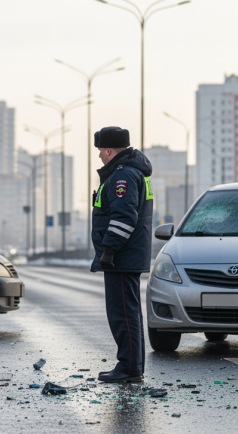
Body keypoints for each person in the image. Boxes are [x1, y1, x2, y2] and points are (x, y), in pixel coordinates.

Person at [91, 126, 153, 383]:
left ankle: (128, 368)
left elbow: (125, 218)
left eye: (100, 152)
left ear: (108, 150)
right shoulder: (131, 171)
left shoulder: (122, 176)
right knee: (129, 313)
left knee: (122, 314)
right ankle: (132, 366)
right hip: (128, 254)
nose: (99, 157)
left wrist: (109, 250)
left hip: (121, 256)